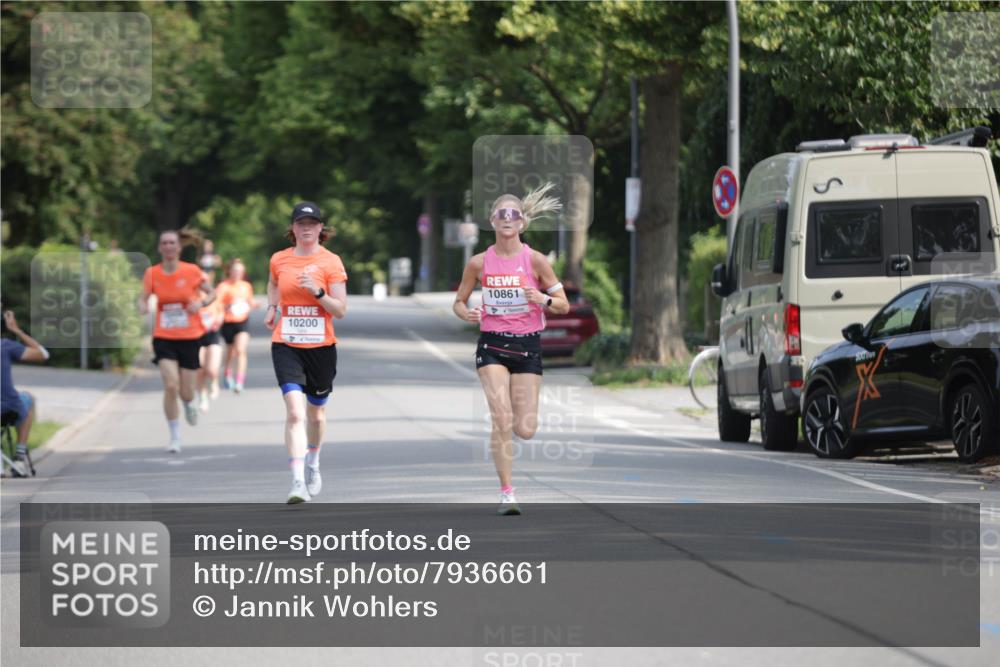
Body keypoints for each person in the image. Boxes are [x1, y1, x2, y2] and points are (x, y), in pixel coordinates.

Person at [452, 183, 569, 515]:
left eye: (513, 214)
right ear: (492, 220)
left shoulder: (536, 261)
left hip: (527, 346)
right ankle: (507, 493)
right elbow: (459, 302)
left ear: (521, 222)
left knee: (525, 429)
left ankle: (515, 437)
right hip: (492, 345)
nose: (507, 218)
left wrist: (542, 298)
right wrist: (466, 313)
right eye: (501, 213)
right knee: (501, 419)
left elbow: (563, 304)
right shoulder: (478, 263)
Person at [265, 202, 348, 504]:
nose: (306, 228)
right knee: (295, 412)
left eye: (312, 224)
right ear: (293, 228)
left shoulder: (331, 262)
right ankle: (298, 481)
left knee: (316, 415)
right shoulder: (279, 259)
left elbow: (340, 310)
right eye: (301, 223)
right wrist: (272, 307)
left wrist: (318, 292)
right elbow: (273, 283)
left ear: (320, 229)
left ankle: (313, 460)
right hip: (286, 344)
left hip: (321, 348)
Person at [139, 229, 214, 453]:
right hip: (164, 337)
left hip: (190, 337)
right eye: (164, 243)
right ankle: (174, 437)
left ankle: (189, 403)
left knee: (186, 392)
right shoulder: (152, 273)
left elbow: (212, 293)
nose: (168, 246)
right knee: (171, 385)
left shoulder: (192, 271)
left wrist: (201, 303)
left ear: (179, 247)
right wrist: (142, 306)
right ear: (159, 248)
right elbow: (143, 298)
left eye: (172, 242)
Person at [1, 310, 49, 476]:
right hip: (8, 407)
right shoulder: (6, 346)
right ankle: (19, 458)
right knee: (27, 398)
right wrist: (16, 330)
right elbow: (43, 354)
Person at [217, 258, 255, 394]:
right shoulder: (223, 286)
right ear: (230, 272)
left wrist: (252, 305)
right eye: (235, 271)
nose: (237, 273)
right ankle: (227, 372)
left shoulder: (246, 286)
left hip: (242, 321)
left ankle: (239, 381)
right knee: (230, 352)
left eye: (240, 271)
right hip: (228, 322)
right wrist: (228, 306)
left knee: (240, 350)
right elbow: (217, 304)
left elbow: (250, 302)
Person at [196, 281, 225, 411]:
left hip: (212, 334)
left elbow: (221, 312)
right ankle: (202, 396)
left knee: (212, 369)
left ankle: (214, 381)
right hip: (196, 336)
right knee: (199, 368)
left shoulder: (213, 298)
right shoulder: (192, 300)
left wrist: (218, 320)